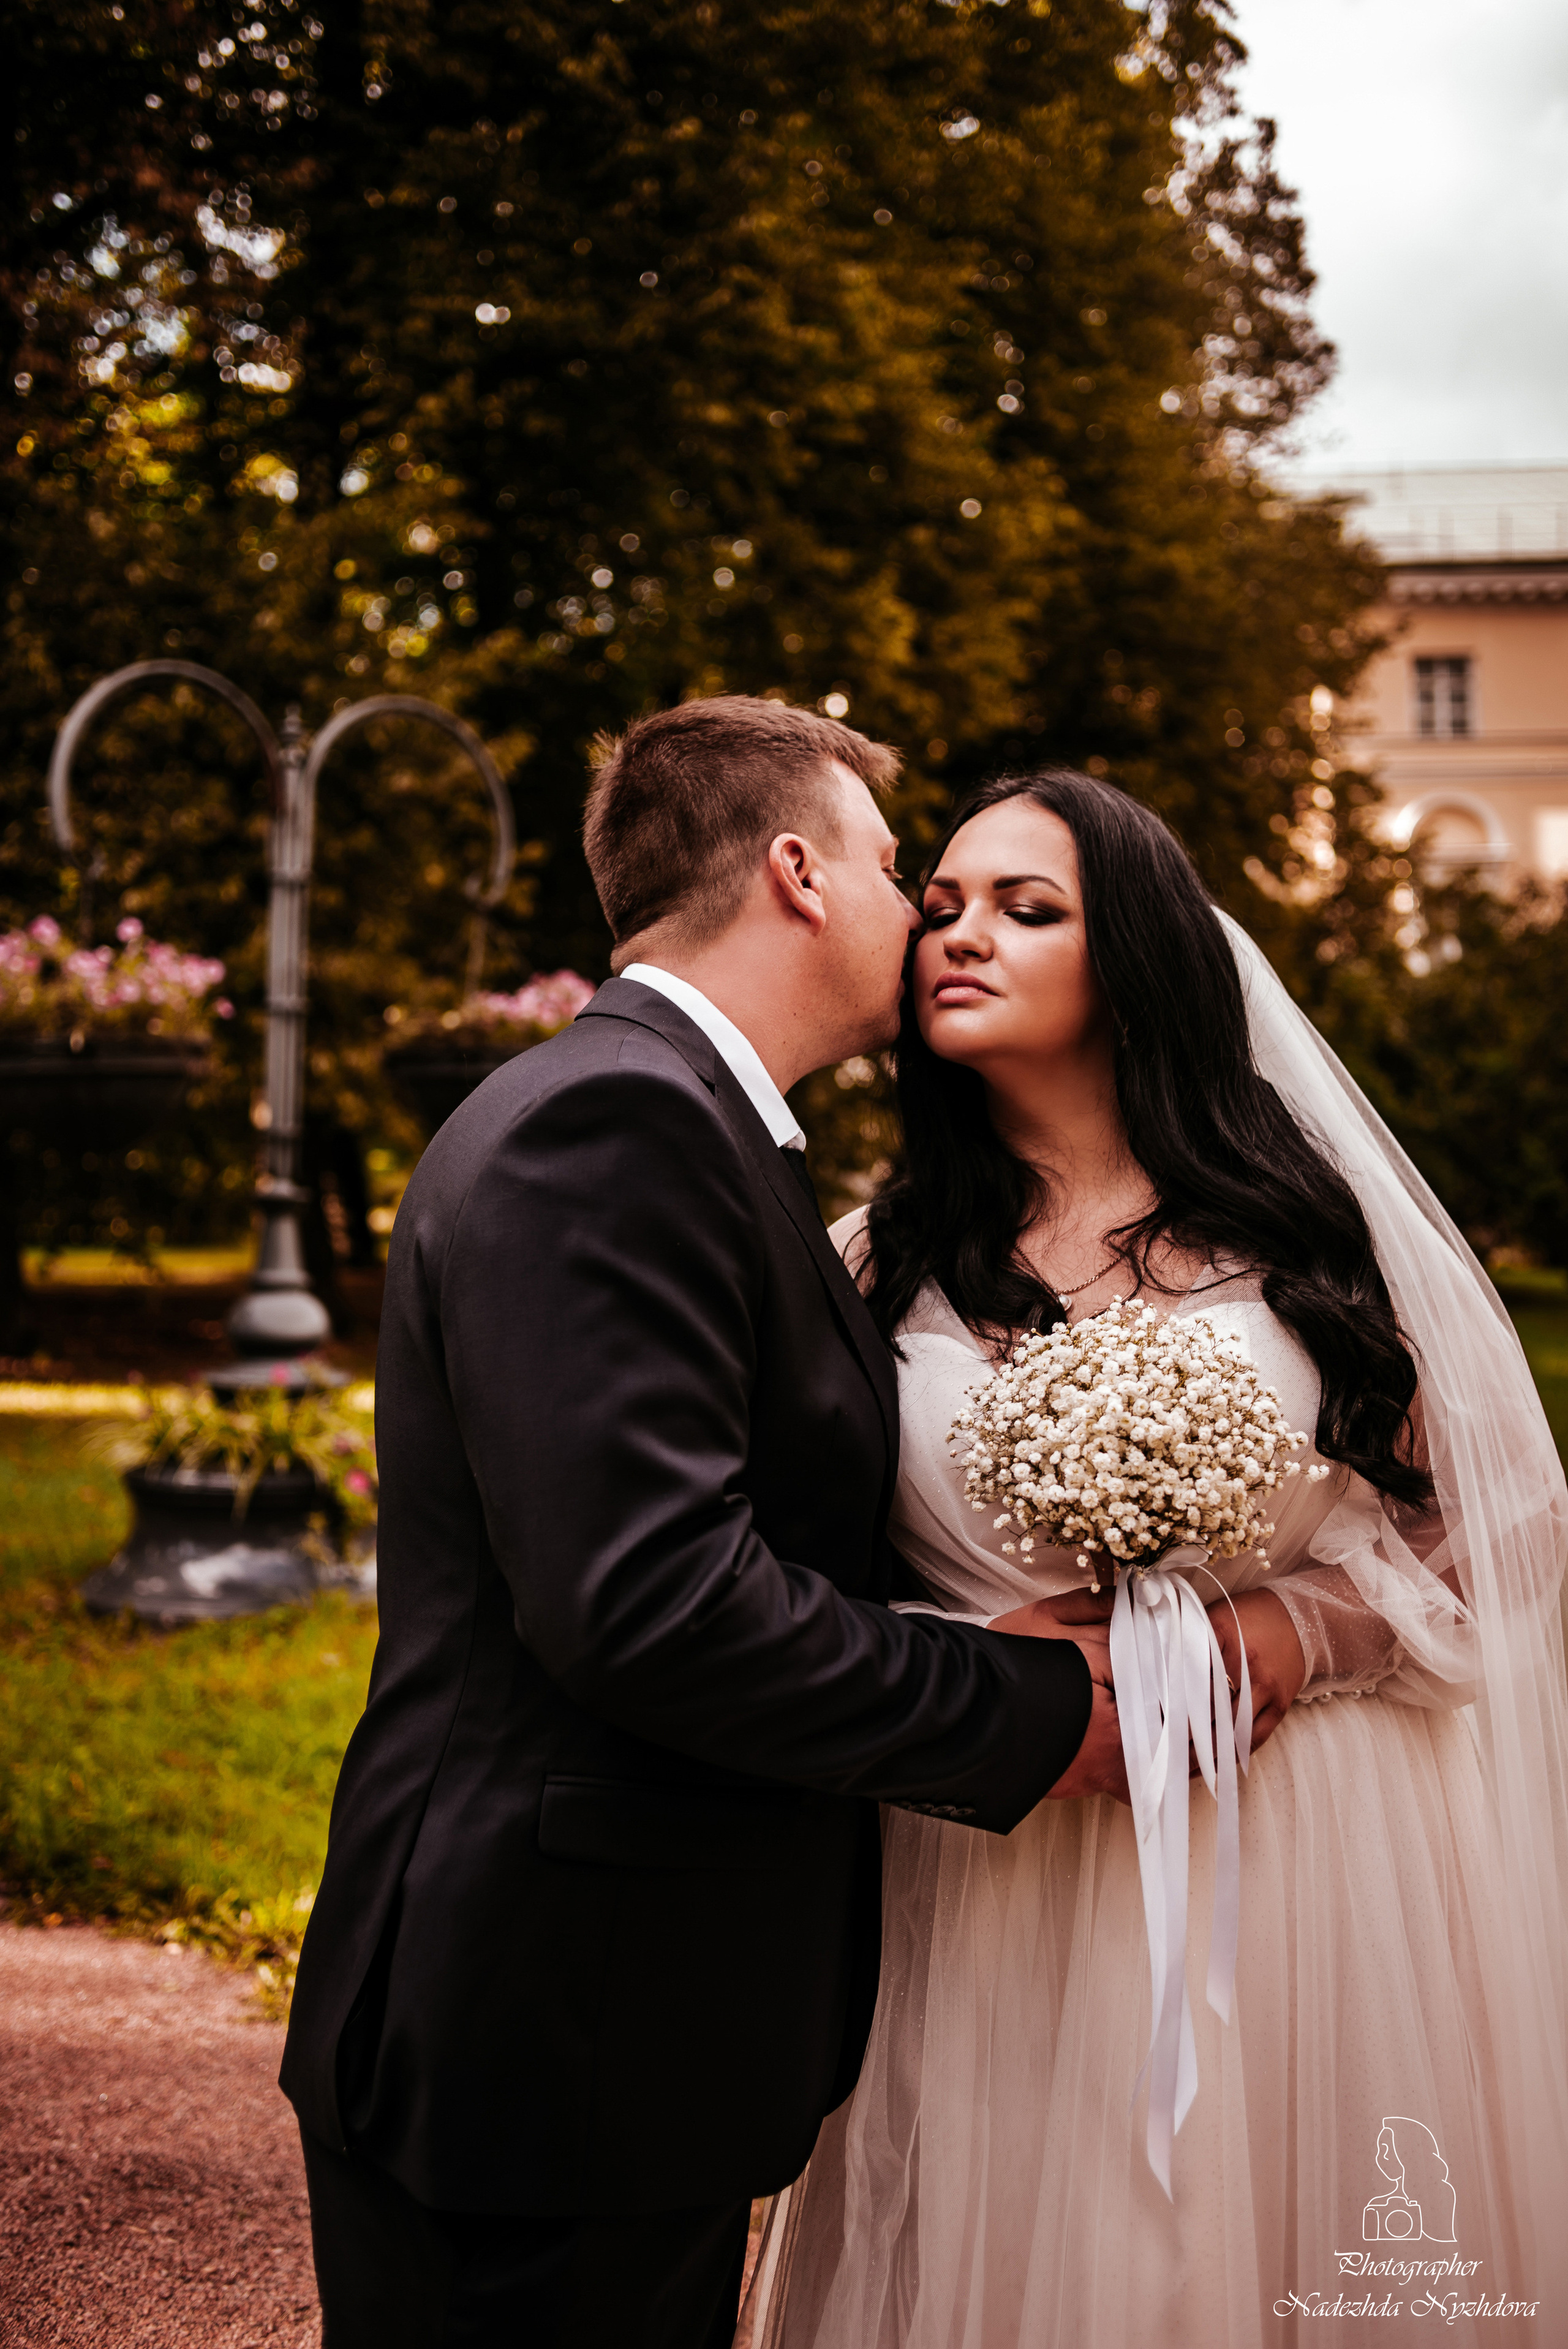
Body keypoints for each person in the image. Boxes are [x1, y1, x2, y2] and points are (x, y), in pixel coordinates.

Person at [279, 702, 1119, 2348]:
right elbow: (655, 1601)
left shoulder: (679, 1123)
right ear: (800, 873)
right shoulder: (620, 1129)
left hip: (598, 2023)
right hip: (547, 2034)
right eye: (902, 872)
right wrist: (1039, 1708)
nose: (928, 916)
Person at [746, 770, 1568, 2348]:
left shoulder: (1302, 1239)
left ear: (1130, 956)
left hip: (1298, 1846)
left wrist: (1273, 1636)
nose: (956, 937)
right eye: (941, 906)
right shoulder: (872, 1259)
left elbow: (1498, 1526)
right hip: (991, 1853)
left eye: (1025, 909)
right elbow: (794, 1564)